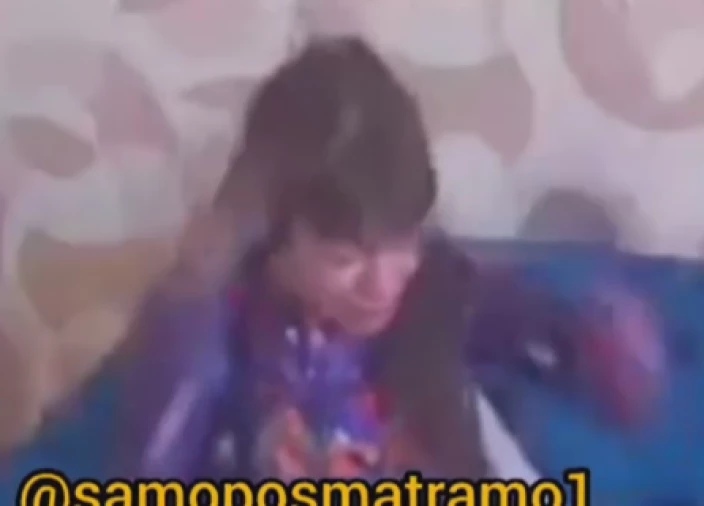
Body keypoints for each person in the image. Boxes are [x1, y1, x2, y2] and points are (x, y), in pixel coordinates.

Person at [118, 37, 541, 481]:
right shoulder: (214, 339)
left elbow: (531, 322)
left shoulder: (434, 289)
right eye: (344, 258)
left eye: (403, 244)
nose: (383, 287)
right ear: (272, 232)